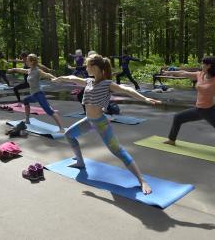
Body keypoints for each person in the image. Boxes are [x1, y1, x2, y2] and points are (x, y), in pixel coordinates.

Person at [53, 54, 161, 195]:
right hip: (89, 121)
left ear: (95, 67)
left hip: (100, 123)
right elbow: (73, 79)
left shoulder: (107, 84)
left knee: (118, 151)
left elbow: (127, 90)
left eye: (87, 65)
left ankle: (141, 180)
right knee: (69, 135)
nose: (86, 68)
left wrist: (145, 98)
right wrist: (60, 78)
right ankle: (80, 162)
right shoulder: (89, 81)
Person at [8, 54, 64, 132]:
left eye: (27, 60)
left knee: (49, 111)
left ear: (32, 61)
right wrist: (13, 69)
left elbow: (46, 75)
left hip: (39, 94)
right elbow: (20, 70)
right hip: (34, 95)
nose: (26, 61)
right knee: (25, 101)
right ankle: (27, 120)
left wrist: (55, 78)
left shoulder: (37, 71)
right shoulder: (29, 70)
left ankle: (61, 128)